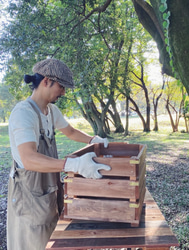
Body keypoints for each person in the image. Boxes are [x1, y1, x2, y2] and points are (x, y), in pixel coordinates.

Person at [7, 58, 111, 250]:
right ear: (46, 81)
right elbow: (29, 158)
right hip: (29, 197)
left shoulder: (50, 110)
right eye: (61, 87)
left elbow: (70, 132)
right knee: (34, 242)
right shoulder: (23, 113)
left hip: (48, 191)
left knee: (51, 240)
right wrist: (73, 164)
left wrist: (92, 140)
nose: (63, 92)